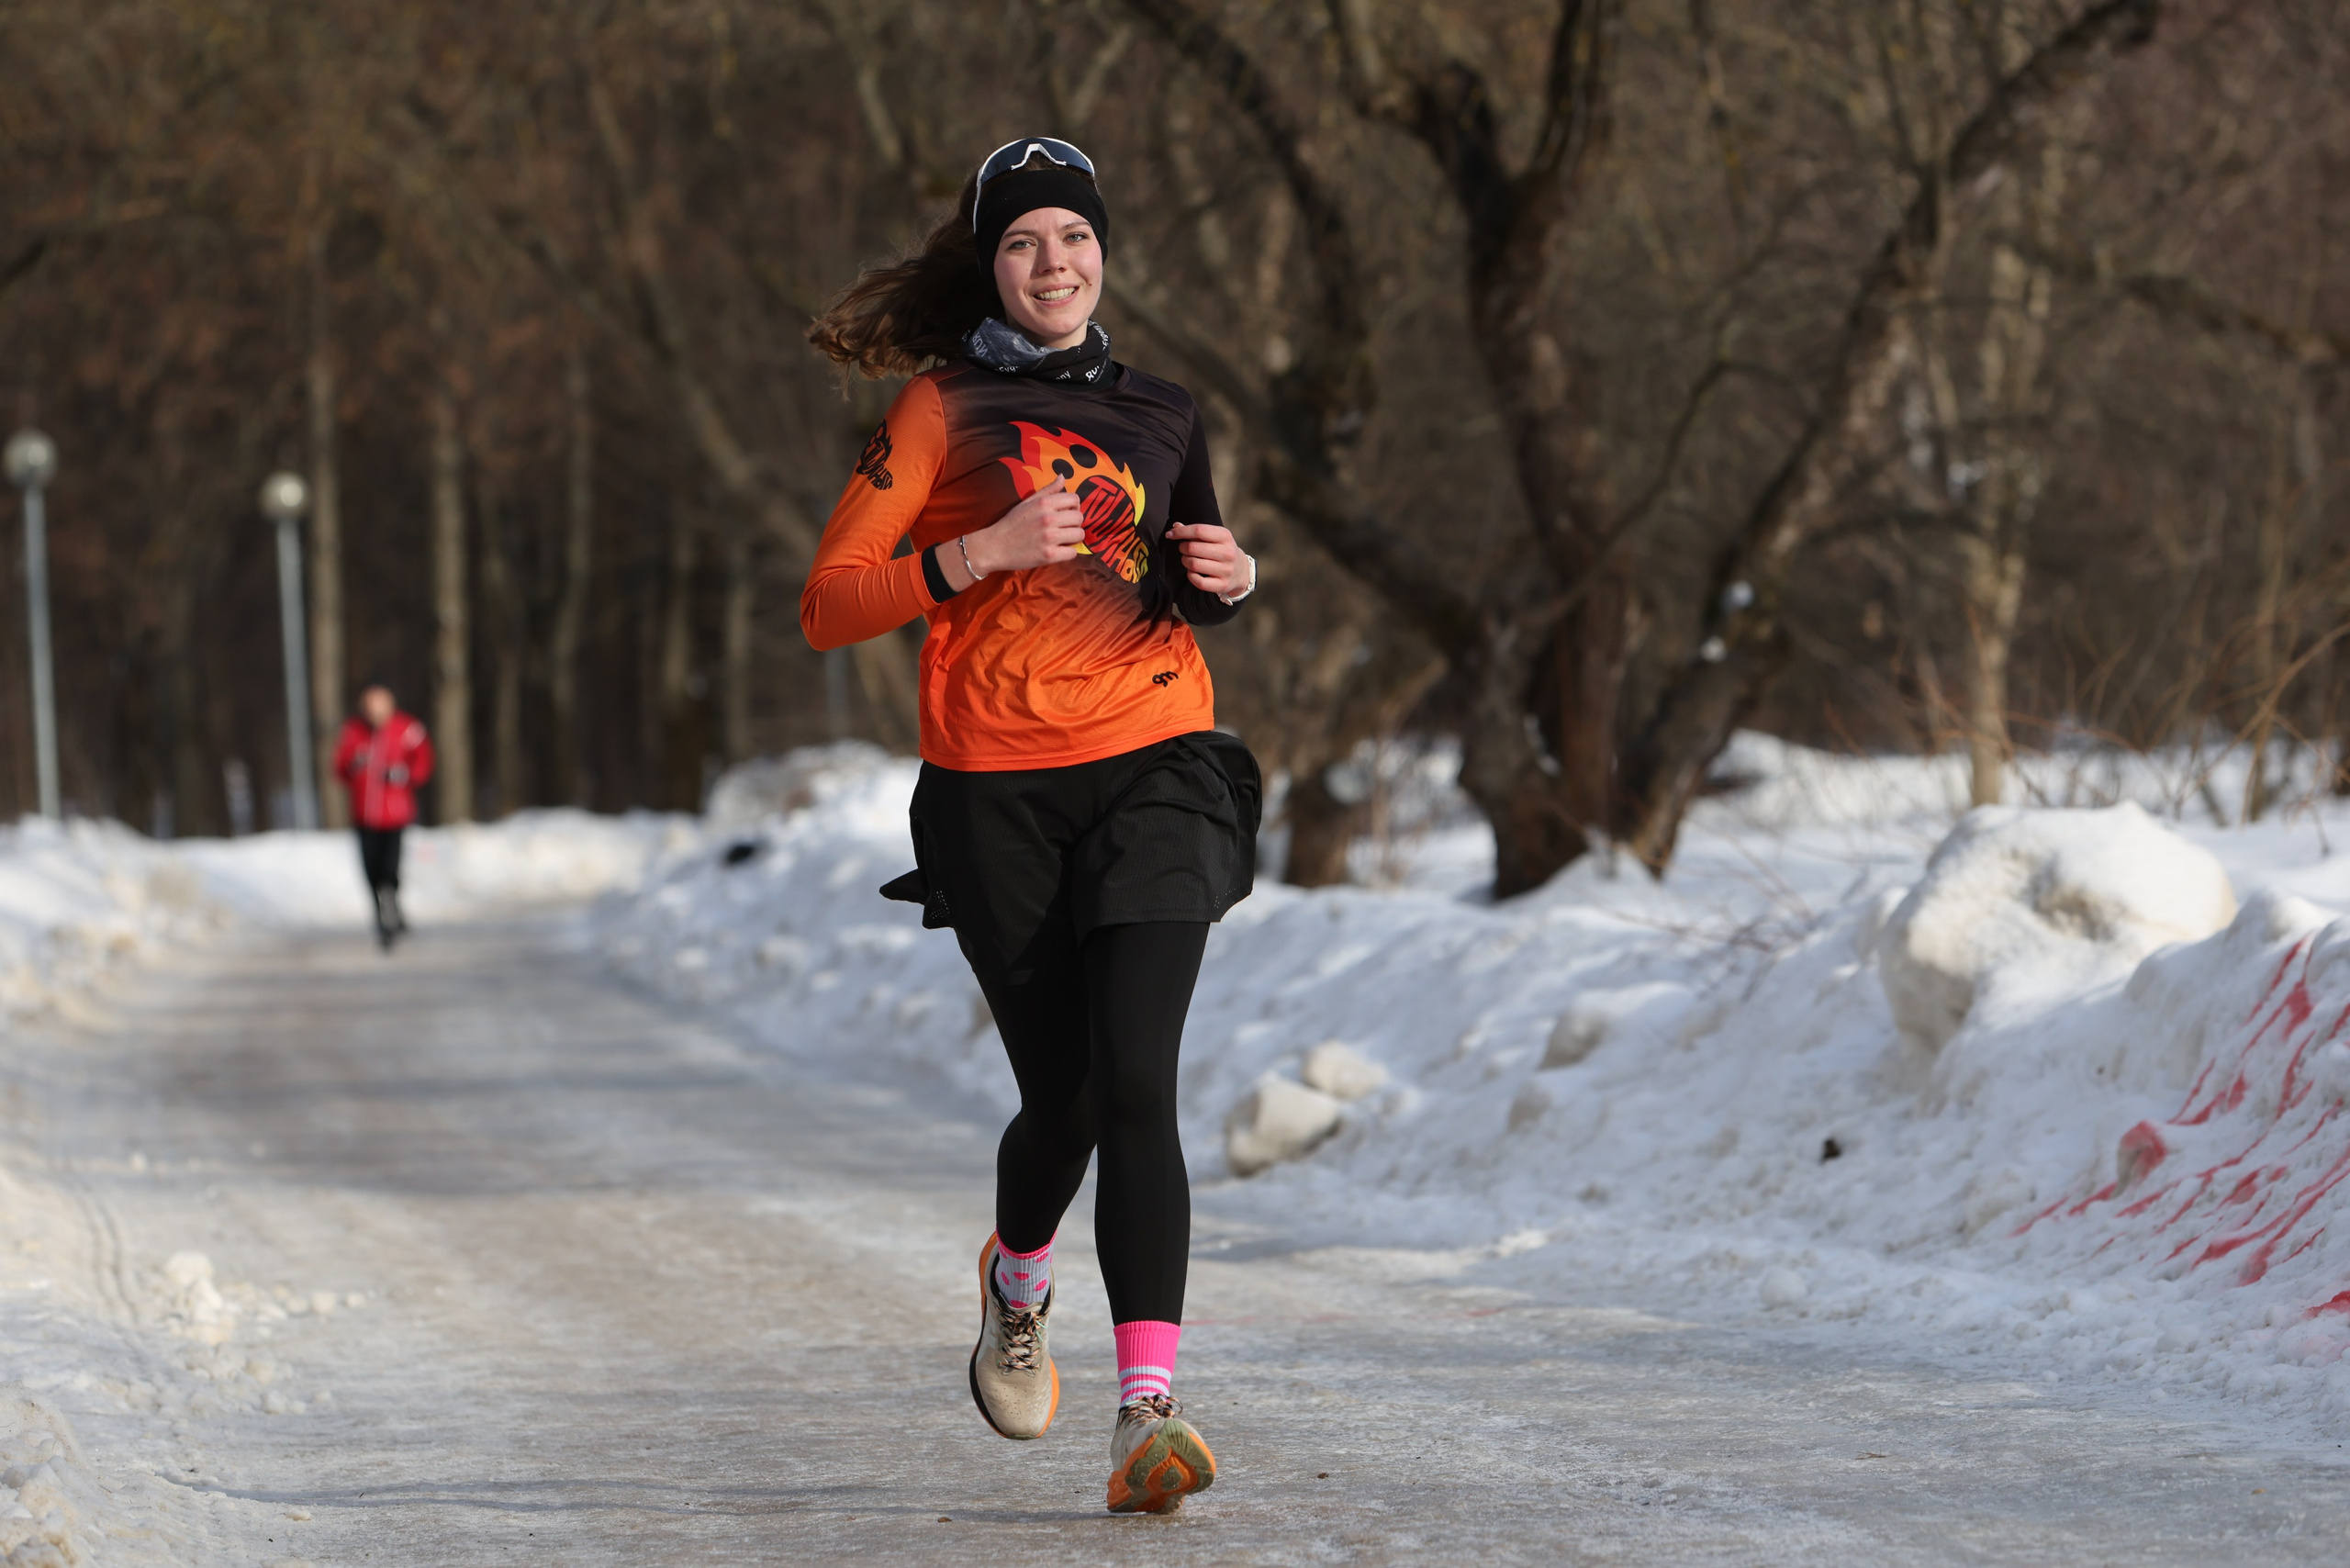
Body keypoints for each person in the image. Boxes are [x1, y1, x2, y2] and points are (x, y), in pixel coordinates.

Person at [804, 136, 1259, 1515]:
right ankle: (1016, 1276)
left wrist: (1230, 580)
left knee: (1138, 1080)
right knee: (1061, 1100)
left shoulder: (1169, 412)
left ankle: (1148, 1413)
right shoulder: (944, 411)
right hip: (996, 790)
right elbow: (829, 602)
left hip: (1157, 762)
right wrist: (977, 556)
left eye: (1073, 237)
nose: (1054, 264)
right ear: (991, 263)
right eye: (1023, 243)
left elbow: (1188, 576)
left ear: (1102, 253)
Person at [332, 681, 434, 950]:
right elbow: (339, 769)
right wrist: (355, 766)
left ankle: (392, 908)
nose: (373, 711)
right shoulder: (353, 732)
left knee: (390, 868)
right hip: (363, 815)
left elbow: (423, 761)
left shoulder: (407, 729)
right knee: (370, 870)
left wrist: (404, 774)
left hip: (395, 815)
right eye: (368, 705)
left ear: (389, 704)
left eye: (378, 704)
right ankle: (380, 914)